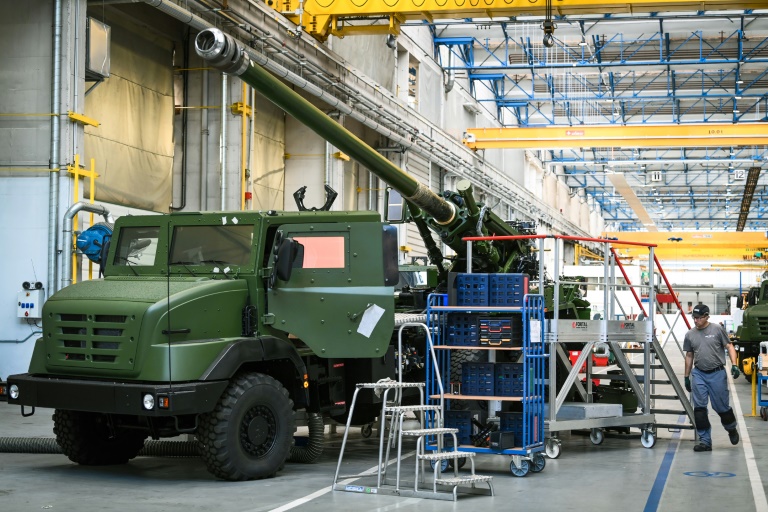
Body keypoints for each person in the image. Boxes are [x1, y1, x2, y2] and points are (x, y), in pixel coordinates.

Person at [683, 304, 740, 452]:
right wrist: (686, 376)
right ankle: (705, 441)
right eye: (694, 318)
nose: (696, 321)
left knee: (721, 407)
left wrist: (734, 364)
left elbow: (729, 347)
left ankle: (731, 428)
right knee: (700, 410)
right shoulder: (690, 335)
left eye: (699, 318)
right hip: (699, 374)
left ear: (707, 316)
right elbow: (689, 356)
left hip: (717, 373)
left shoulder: (717, 330)